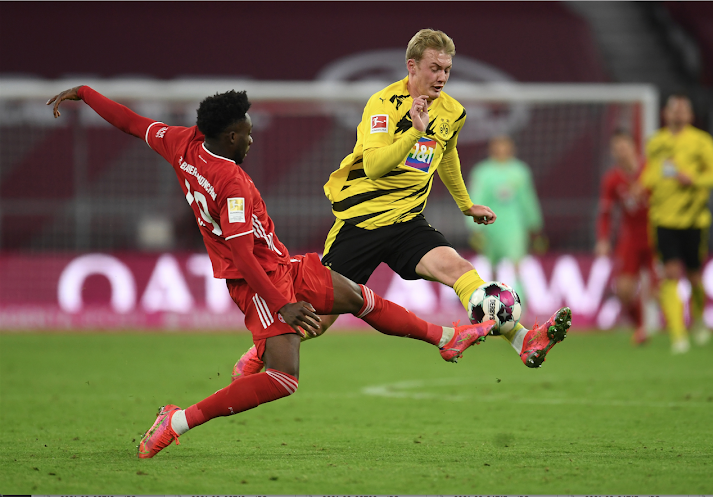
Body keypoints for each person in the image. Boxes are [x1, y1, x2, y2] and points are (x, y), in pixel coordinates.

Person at [47, 85, 503, 459]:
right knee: (284, 379)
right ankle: (178, 419)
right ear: (227, 137)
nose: (251, 139)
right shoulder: (233, 184)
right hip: (259, 283)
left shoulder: (182, 142)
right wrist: (282, 303)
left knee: (360, 299)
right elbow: (243, 253)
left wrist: (87, 94)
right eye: (245, 134)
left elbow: (131, 122)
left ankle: (446, 339)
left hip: (283, 264)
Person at [231, 28, 571, 380]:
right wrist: (415, 131)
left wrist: (466, 205)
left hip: (407, 222)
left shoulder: (452, 112)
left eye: (447, 70)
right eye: (434, 68)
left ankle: (524, 339)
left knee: (459, 269)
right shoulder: (383, 105)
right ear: (412, 66)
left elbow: (447, 155)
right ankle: (258, 352)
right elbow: (376, 166)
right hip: (361, 224)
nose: (442, 77)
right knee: (320, 318)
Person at [640, 94, 713, 354]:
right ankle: (678, 336)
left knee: (694, 277)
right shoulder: (656, 142)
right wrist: (641, 186)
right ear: (666, 114)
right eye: (674, 110)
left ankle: (699, 318)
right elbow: (652, 172)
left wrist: (695, 178)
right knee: (670, 274)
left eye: (683, 110)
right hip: (662, 218)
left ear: (690, 116)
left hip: (693, 218)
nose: (678, 114)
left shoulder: (701, 142)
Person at [595, 130, 657, 345]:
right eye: (617, 148)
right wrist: (603, 239)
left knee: (659, 289)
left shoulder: (651, 170)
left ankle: (683, 329)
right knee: (623, 290)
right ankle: (641, 328)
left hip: (656, 234)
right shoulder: (612, 179)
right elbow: (606, 213)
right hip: (630, 237)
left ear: (634, 146)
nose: (621, 151)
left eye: (625, 146)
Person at [466, 135, 545, 293]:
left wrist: (534, 225)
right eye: (498, 146)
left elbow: (527, 200)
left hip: (514, 226)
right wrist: (474, 227)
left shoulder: (520, 171)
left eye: (505, 145)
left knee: (517, 265)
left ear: (512, 148)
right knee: (491, 267)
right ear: (491, 149)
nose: (502, 150)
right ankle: (493, 304)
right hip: (489, 227)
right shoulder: (482, 172)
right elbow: (474, 199)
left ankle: (520, 304)